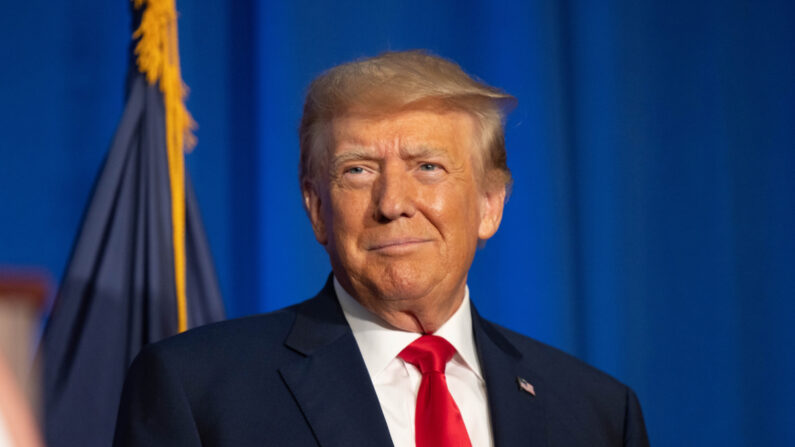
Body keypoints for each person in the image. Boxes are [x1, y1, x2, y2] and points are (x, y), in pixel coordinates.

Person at [113, 50, 649, 447]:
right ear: (318, 209)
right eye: (358, 170)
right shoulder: (196, 388)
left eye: (428, 167)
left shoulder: (597, 412)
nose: (393, 202)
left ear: (490, 204)